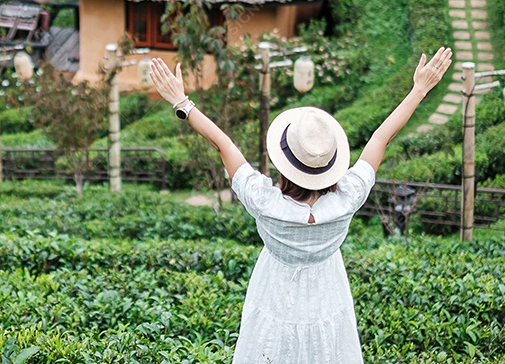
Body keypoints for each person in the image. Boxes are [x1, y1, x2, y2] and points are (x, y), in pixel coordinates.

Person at [148, 47, 453, 364]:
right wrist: (420, 89)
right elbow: (381, 139)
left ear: (285, 165)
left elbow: (223, 143)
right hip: (327, 291)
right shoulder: (348, 198)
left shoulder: (265, 202)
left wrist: (182, 102)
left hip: (274, 292)